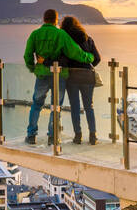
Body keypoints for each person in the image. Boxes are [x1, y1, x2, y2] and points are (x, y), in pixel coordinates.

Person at [23, 8, 93, 144]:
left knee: (36, 104)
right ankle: (52, 136)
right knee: (56, 107)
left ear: (44, 19)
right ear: (56, 20)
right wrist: (89, 57)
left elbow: (27, 55)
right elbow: (75, 53)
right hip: (59, 75)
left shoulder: (35, 34)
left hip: (42, 74)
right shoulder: (61, 35)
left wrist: (34, 68)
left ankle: (31, 135)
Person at [58, 15, 101, 144]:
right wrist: (87, 65)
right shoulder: (88, 39)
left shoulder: (65, 40)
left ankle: (78, 136)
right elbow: (97, 58)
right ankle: (93, 136)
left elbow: (62, 59)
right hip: (87, 76)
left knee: (75, 107)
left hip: (72, 76)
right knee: (89, 106)